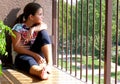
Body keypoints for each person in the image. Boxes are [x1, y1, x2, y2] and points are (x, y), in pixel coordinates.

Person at [11, 2, 52, 80]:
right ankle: (40, 72)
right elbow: (16, 47)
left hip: (36, 54)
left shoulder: (38, 26)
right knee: (28, 61)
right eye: (40, 14)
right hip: (22, 55)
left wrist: (32, 29)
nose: (42, 17)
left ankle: (49, 64)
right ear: (31, 17)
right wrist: (34, 55)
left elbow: (45, 26)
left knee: (43, 32)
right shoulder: (18, 27)